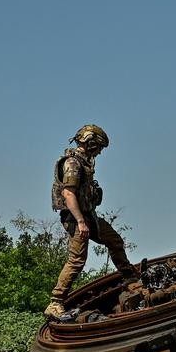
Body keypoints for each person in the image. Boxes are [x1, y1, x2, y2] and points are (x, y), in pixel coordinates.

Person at [45, 124, 136, 321]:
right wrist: (80, 222)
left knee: (114, 240)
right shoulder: (73, 164)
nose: (100, 152)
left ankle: (130, 277)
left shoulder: (84, 163)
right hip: (77, 218)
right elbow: (68, 194)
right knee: (77, 260)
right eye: (99, 147)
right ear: (91, 143)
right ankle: (55, 302)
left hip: (88, 215)